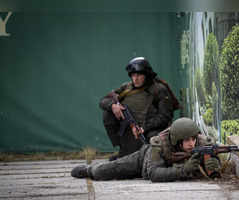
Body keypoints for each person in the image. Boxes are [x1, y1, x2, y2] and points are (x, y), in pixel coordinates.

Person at [71, 117, 221, 182]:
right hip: (143, 161)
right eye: (187, 140)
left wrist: (213, 163)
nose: (192, 143)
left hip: (169, 167)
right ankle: (88, 170)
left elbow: (213, 160)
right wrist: (183, 170)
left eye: (193, 139)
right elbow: (154, 174)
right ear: (177, 140)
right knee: (103, 171)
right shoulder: (159, 144)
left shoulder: (202, 143)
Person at [99, 57, 179, 160]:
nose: (135, 79)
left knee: (152, 143)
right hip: (129, 130)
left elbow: (165, 117)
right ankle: (122, 149)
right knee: (107, 113)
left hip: (148, 131)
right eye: (133, 75)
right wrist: (113, 106)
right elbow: (103, 101)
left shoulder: (158, 89)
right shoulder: (127, 87)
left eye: (139, 75)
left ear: (146, 75)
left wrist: (144, 128)